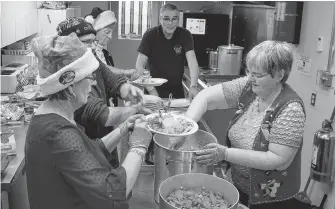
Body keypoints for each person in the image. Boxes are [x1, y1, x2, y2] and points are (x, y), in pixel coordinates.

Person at [25, 33, 153, 209]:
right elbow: (114, 192)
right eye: (88, 77)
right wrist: (139, 146)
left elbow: (89, 150)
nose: (93, 83)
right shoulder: (57, 134)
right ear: (69, 86)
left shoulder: (56, 115)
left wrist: (122, 129)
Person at [179, 41, 306, 208]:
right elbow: (205, 97)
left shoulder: (290, 109)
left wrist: (225, 154)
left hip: (270, 200)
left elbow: (278, 160)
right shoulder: (249, 87)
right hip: (238, 186)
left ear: (279, 75)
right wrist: (186, 128)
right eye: (249, 71)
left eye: (258, 75)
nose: (251, 78)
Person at [56, 17, 149, 168]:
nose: (91, 47)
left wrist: (126, 88)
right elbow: (100, 114)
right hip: (85, 144)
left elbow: (110, 78)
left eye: (92, 41)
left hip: (105, 136)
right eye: (85, 42)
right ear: (69, 45)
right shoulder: (68, 75)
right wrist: (135, 110)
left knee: (112, 172)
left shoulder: (90, 58)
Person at [134, 3, 200, 99]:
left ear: (178, 20)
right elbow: (139, 66)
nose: (170, 23)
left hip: (177, 93)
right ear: (160, 19)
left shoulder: (185, 35)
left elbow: (192, 62)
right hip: (152, 92)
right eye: (166, 18)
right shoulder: (150, 35)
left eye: (174, 19)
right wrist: (152, 90)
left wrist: (193, 86)